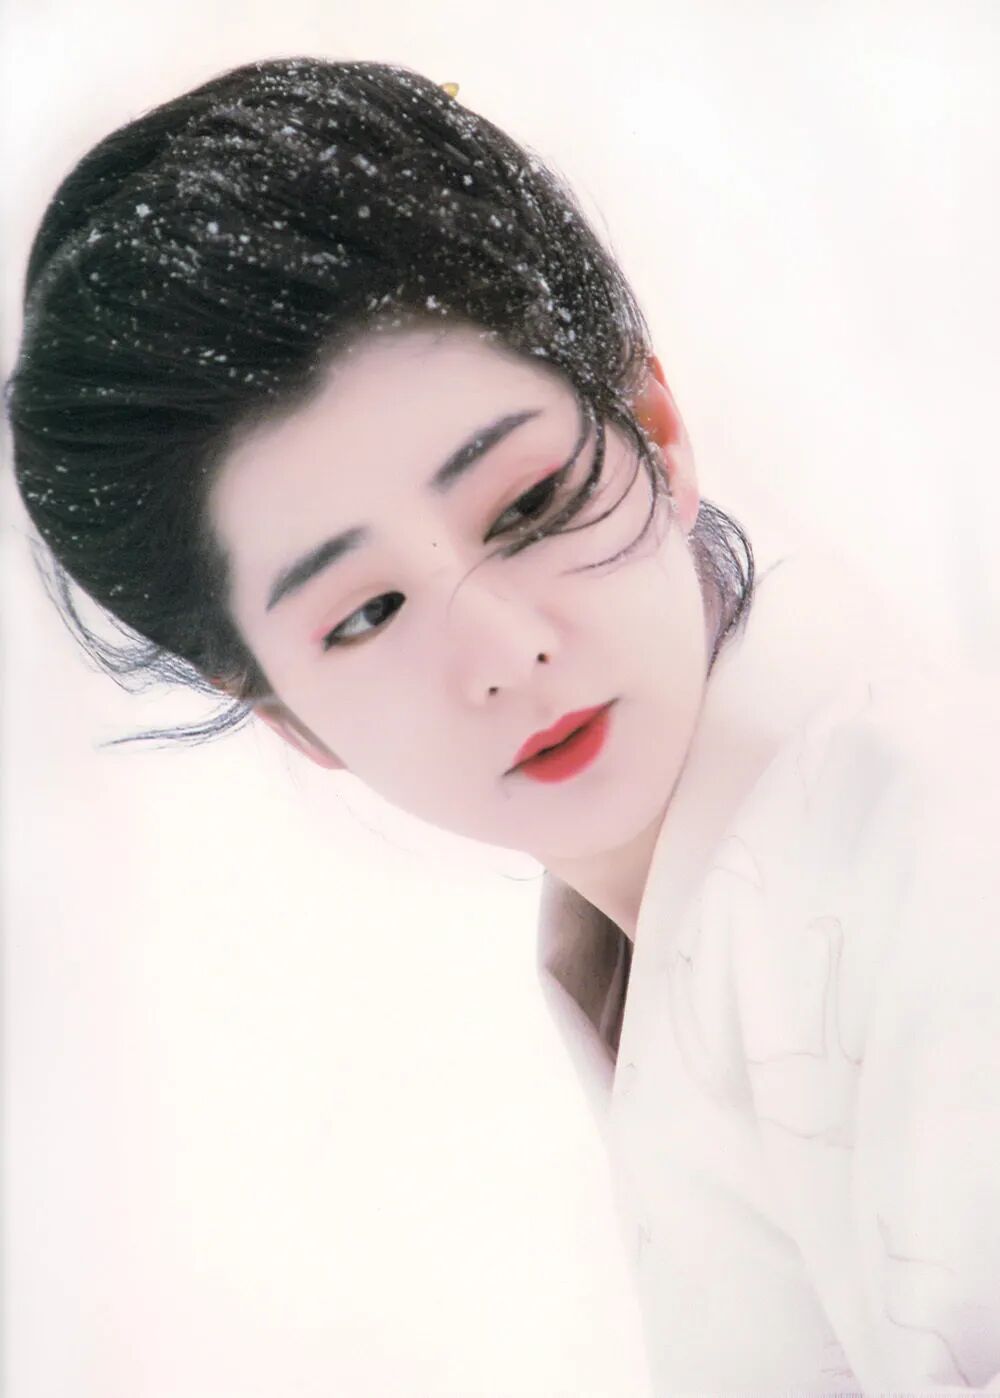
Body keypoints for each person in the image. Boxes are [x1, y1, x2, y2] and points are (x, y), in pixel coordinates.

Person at [6, 55, 999, 1394]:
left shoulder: (937, 869)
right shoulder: (694, 927)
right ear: (283, 711)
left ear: (654, 426)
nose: (506, 652)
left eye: (528, 506)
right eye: (366, 614)